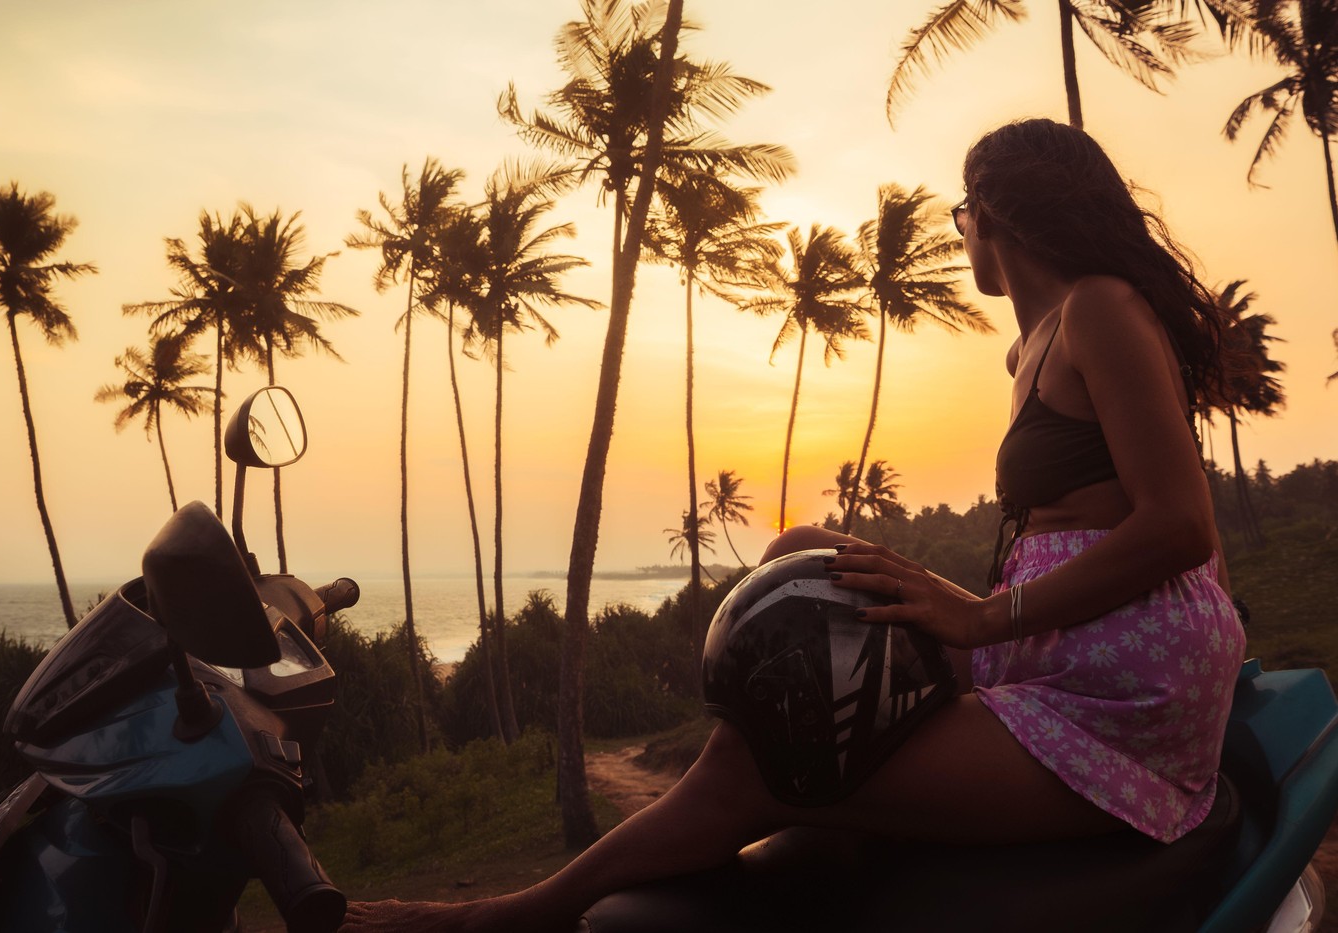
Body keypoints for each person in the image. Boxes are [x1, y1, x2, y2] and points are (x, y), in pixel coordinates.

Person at [340, 117, 1246, 933]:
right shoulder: (1032, 343)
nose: (960, 236)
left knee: (771, 769)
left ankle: (515, 916)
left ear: (995, 218)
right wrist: (973, 614)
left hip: (1126, 679)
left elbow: (1180, 526)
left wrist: (977, 619)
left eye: (960, 219)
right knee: (797, 552)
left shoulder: (1100, 309)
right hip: (1058, 645)